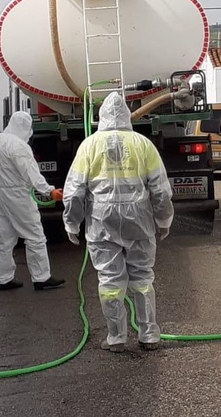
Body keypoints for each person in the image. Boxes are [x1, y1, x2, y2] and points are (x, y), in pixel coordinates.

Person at [62, 92, 174, 353]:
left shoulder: (89, 146)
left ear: (101, 117)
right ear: (126, 113)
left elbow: (75, 190)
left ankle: (117, 338)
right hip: (139, 219)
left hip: (102, 221)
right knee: (143, 277)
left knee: (110, 281)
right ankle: (149, 335)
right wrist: (164, 219)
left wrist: (71, 222)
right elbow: (160, 189)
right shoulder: (143, 144)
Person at [0, 111, 65, 291]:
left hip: (0, 194)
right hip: (17, 195)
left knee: (5, 237)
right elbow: (31, 173)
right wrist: (49, 191)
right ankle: (41, 278)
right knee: (35, 235)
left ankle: (3, 278)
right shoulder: (19, 146)